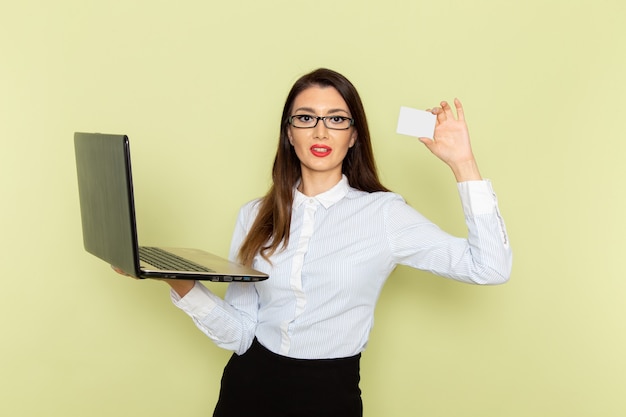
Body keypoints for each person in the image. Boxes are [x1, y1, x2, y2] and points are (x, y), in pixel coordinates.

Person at [121, 68, 512, 416]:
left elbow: (490, 267)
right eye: (306, 118)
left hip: (329, 393)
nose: (320, 131)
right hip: (247, 389)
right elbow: (241, 333)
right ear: (289, 133)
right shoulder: (254, 215)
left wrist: (463, 163)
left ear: (354, 134)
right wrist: (177, 280)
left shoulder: (385, 216)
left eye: (336, 119)